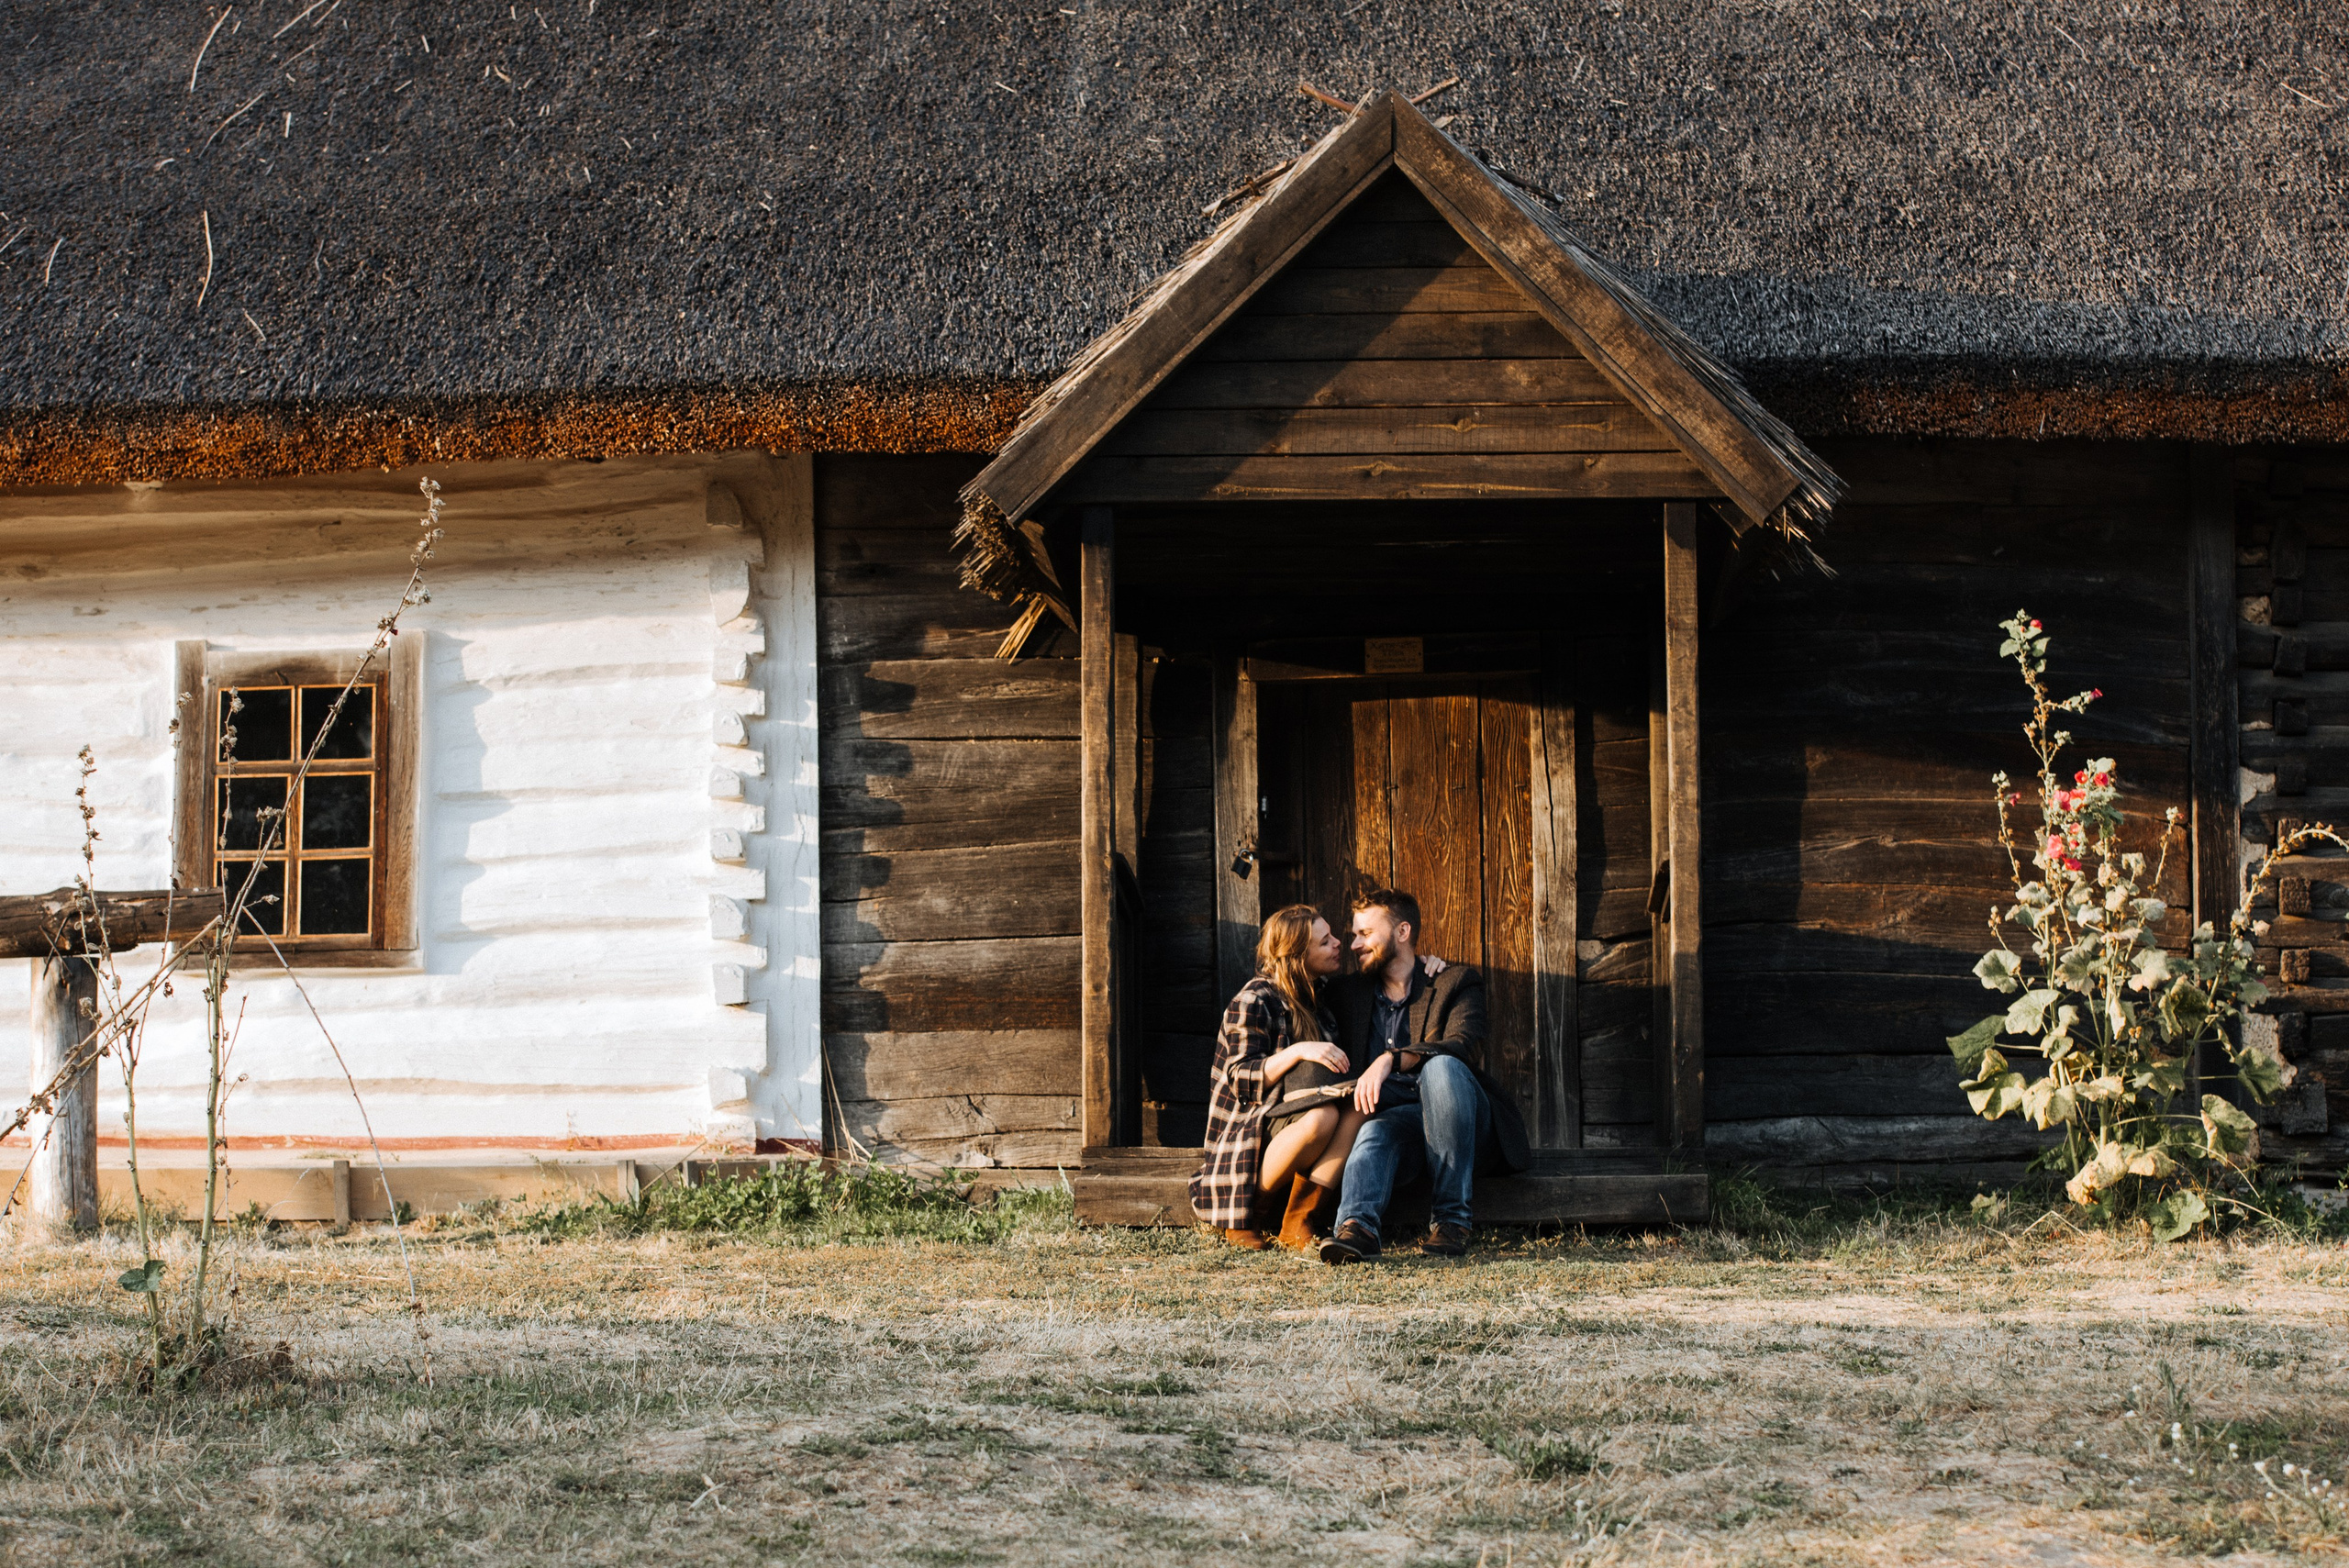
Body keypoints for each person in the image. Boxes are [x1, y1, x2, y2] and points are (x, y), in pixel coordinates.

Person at [1319, 887, 1531, 1263]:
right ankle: (1357, 1228)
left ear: (1402, 932)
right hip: (1403, 1126)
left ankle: (1451, 1221)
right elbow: (1290, 981)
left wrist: (1392, 1059)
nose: (1354, 944)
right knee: (1373, 1131)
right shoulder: (1346, 994)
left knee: (1442, 1066)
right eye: (1353, 934)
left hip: (1462, 1123)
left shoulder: (1454, 981)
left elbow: (1462, 1045)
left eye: (1365, 933)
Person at [1187, 905, 1365, 1251]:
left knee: (1360, 1107)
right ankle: (1249, 1213)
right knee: (1322, 1117)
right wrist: (1297, 1052)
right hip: (1253, 1124)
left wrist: (1424, 968)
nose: (1338, 944)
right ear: (1298, 957)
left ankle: (1299, 1218)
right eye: (1325, 941)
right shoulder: (1255, 999)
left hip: (1302, 1109)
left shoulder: (1318, 997)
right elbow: (1240, 1078)